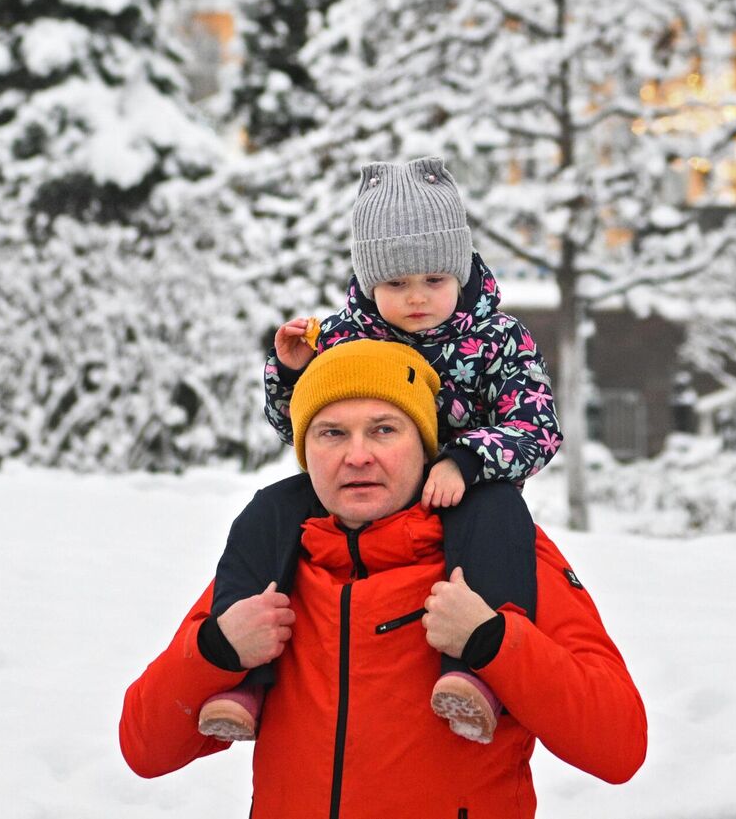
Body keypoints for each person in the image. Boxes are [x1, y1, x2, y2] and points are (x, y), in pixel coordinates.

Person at [120, 340, 645, 818]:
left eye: (383, 429)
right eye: (331, 433)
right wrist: (216, 650)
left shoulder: (500, 554)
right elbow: (145, 749)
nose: (357, 455)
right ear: (306, 454)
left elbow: (618, 745)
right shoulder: (273, 562)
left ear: (424, 445)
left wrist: (493, 641)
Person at [199, 156, 562, 745]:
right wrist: (291, 375)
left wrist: (468, 460)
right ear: (370, 282)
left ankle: (474, 675)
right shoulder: (345, 336)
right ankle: (245, 674)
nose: (417, 298)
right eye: (396, 284)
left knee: (497, 519)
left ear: (461, 271)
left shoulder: (499, 338)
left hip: (466, 488)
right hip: (362, 484)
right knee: (269, 509)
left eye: (434, 282)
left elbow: (537, 423)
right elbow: (300, 429)